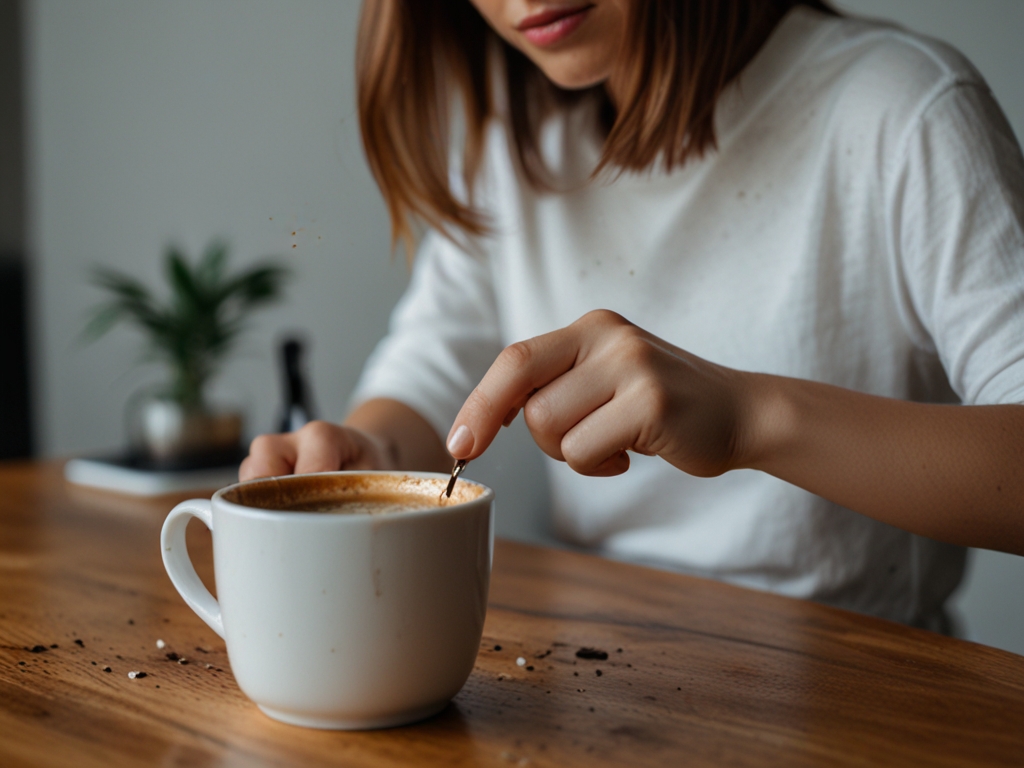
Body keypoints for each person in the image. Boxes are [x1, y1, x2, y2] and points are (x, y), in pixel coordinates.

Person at [241, 0, 1024, 630]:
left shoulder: (904, 109)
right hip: (604, 681)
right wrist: (364, 451)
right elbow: (426, 376)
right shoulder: (512, 148)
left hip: (868, 697)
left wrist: (752, 418)